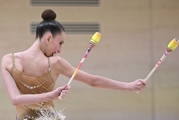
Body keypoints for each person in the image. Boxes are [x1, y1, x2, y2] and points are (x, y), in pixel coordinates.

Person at [1, 9, 146, 120]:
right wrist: (51, 95)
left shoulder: (9, 60)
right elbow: (15, 99)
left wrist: (129, 86)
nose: (59, 50)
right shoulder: (53, 63)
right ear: (49, 38)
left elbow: (93, 80)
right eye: (60, 43)